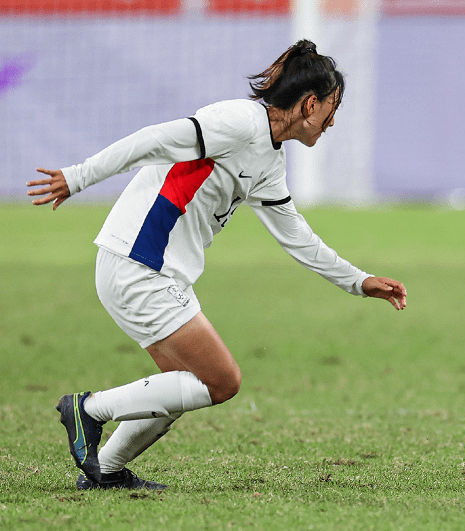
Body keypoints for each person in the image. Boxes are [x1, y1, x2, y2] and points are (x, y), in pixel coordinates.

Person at [27, 40, 407, 491]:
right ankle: (88, 410)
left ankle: (105, 470)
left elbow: (295, 234)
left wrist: (358, 281)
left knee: (184, 382)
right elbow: (152, 140)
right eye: (332, 107)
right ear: (310, 103)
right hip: (138, 263)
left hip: (155, 271)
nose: (332, 121)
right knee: (222, 381)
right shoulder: (238, 122)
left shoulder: (269, 158)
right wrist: (78, 176)